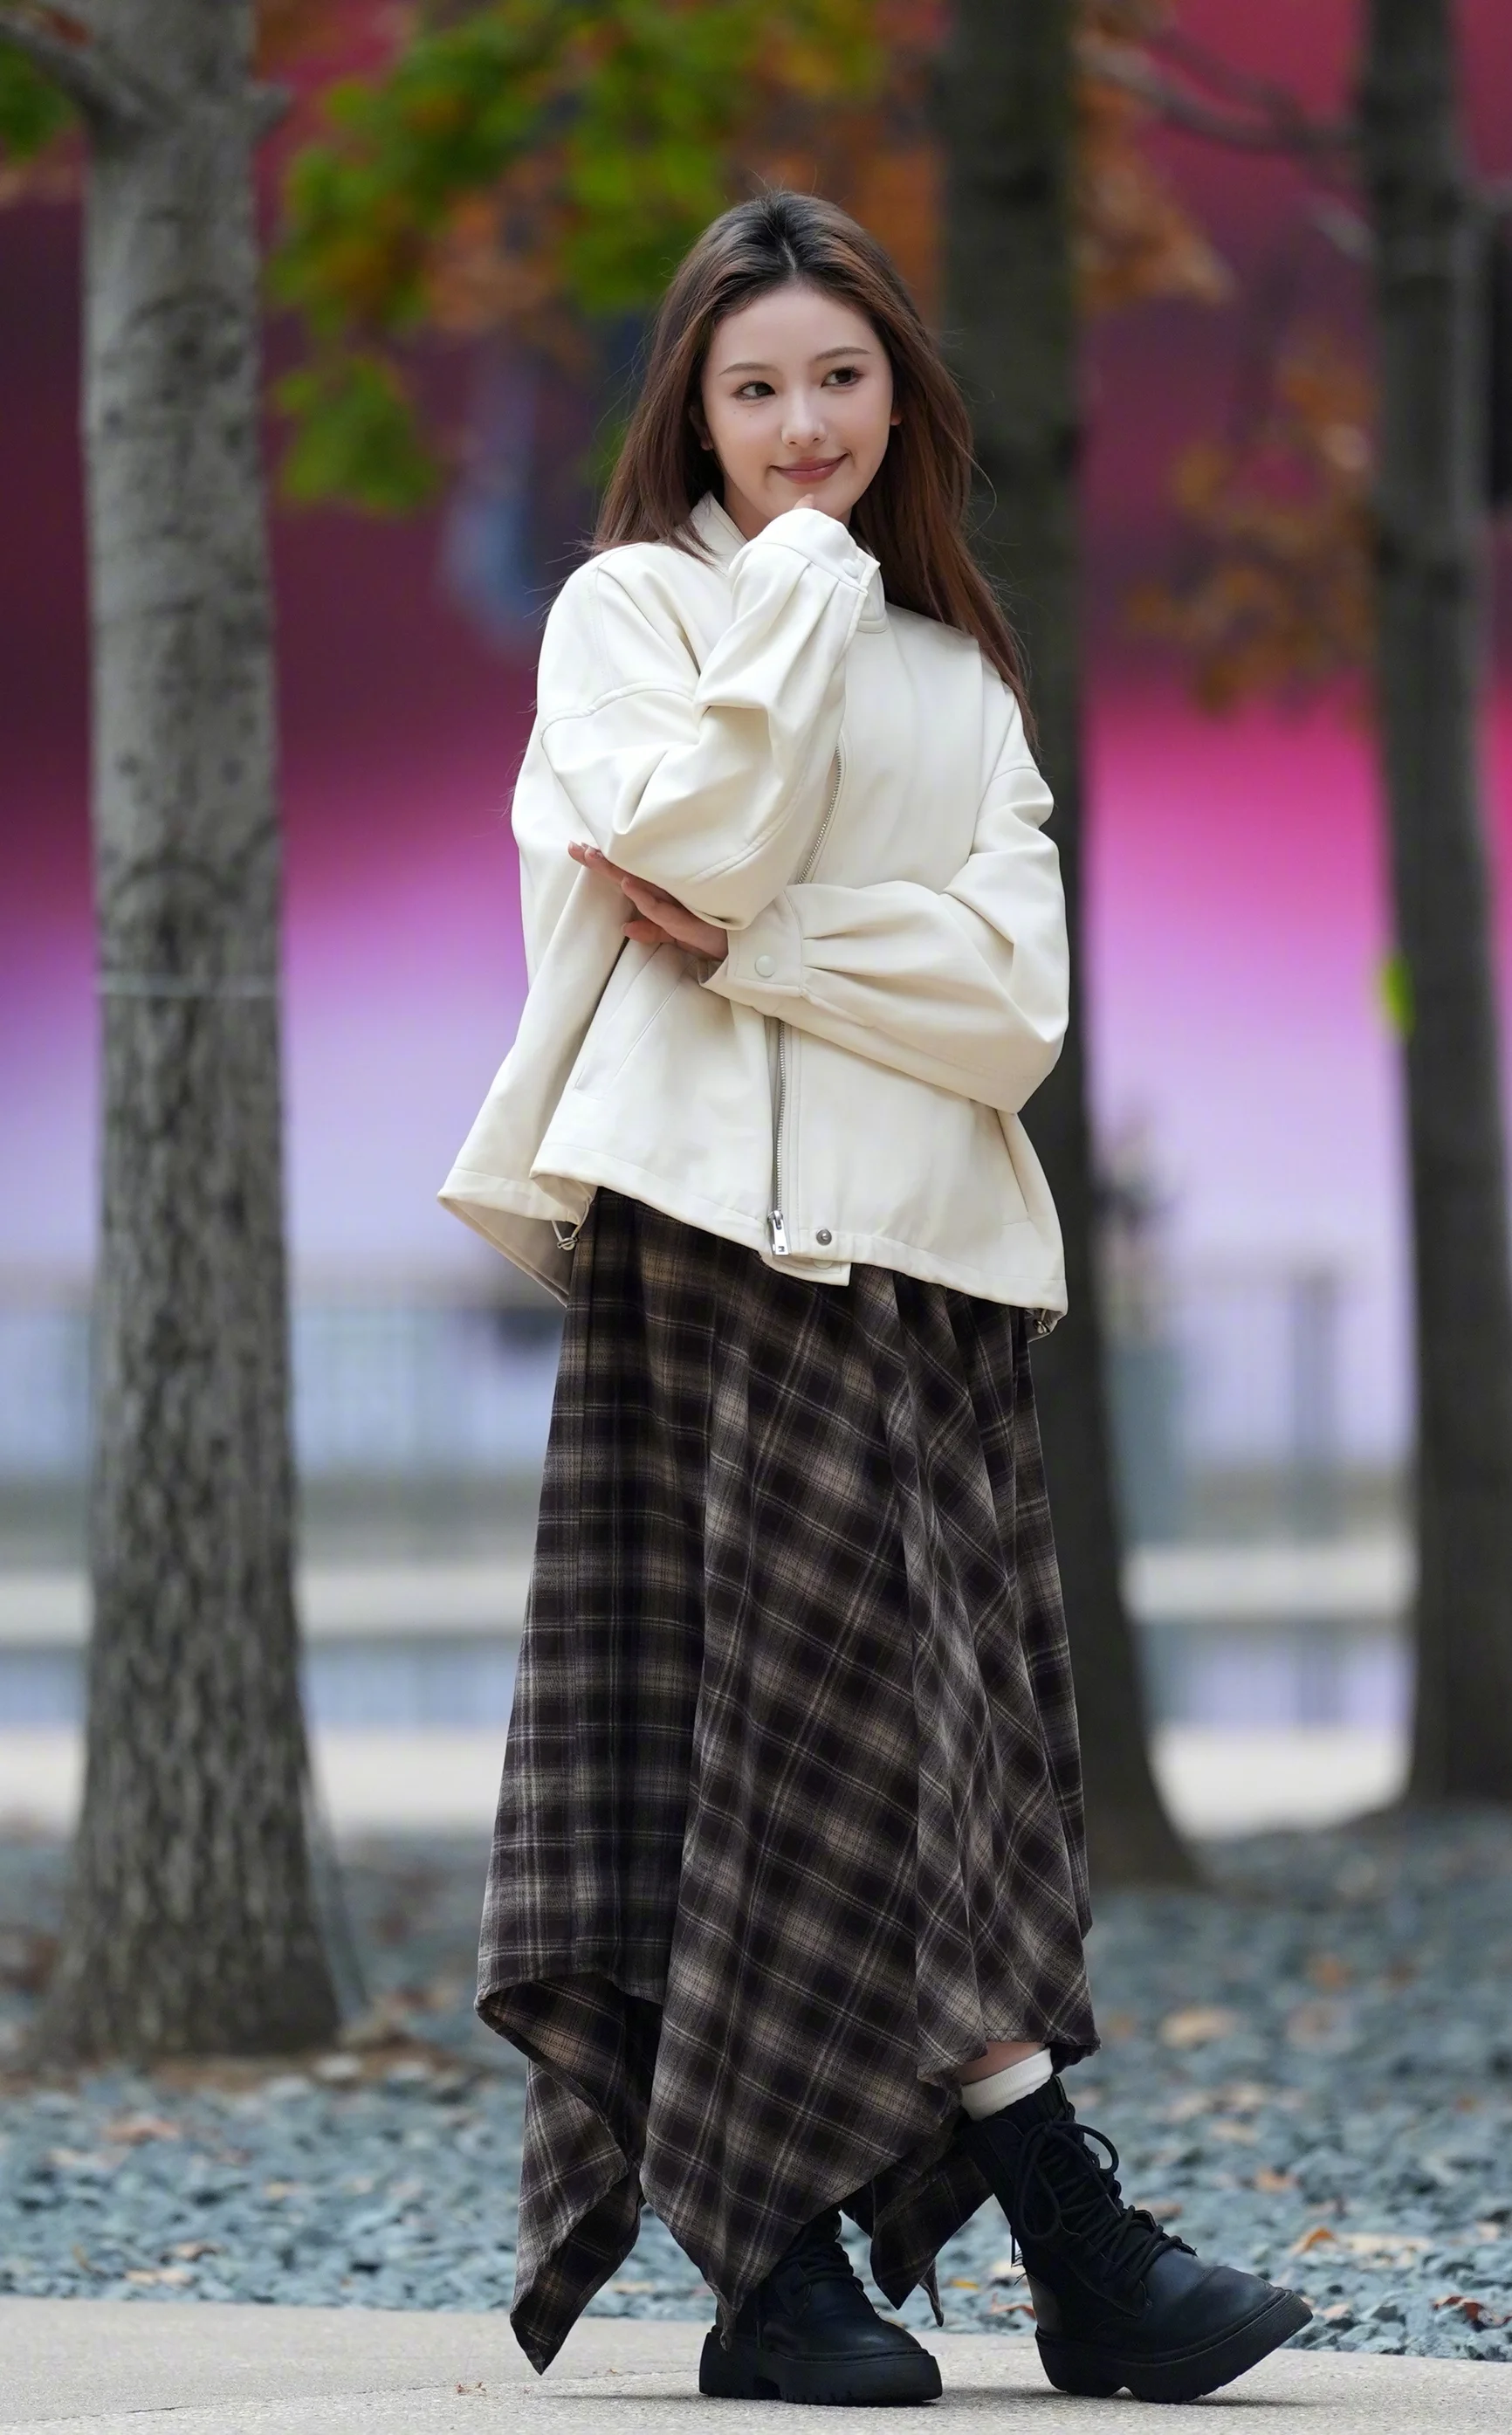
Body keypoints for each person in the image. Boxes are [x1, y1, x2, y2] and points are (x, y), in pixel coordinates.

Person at [440, 189, 1309, 2409]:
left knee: (939, 1765)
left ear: (897, 393)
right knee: (806, 1745)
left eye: (838, 380)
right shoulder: (631, 609)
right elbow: (683, 832)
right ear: (694, 416)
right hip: (712, 1259)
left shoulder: (964, 679)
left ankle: (962, 2260)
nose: (801, 426)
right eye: (753, 392)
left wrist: (770, 953)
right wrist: (805, 601)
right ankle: (905, 2260)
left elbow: (1005, 1004)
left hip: (921, 1286)